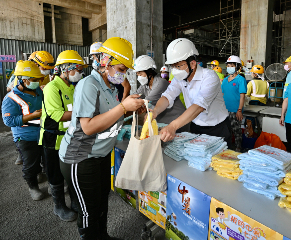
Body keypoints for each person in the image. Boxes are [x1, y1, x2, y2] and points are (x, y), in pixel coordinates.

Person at [58, 37, 144, 240]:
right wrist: (123, 107)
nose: (123, 74)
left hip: (101, 155)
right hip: (80, 158)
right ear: (106, 62)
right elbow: (87, 127)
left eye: (126, 70)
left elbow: (110, 119)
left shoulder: (112, 89)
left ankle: (102, 236)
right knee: (88, 209)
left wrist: (133, 111)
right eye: (121, 68)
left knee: (101, 201)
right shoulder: (89, 85)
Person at [151, 38, 231, 144]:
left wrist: (173, 126)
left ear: (192, 64)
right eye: (173, 66)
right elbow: (167, 96)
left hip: (217, 129)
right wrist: (155, 111)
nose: (175, 70)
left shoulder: (209, 77)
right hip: (195, 127)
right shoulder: (179, 79)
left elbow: (199, 106)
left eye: (178, 66)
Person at [39, 50, 87, 222]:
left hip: (70, 137)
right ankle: (59, 206)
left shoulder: (72, 86)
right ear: (67, 69)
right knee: (55, 174)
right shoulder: (52, 88)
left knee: (71, 173)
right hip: (52, 138)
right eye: (79, 69)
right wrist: (86, 114)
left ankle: (75, 202)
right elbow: (58, 115)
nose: (81, 72)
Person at [1, 60, 45, 201]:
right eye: (34, 79)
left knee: (43, 158)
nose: (38, 82)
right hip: (25, 136)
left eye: (39, 79)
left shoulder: (37, 91)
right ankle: (33, 186)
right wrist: (32, 116)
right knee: (30, 163)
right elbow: (8, 121)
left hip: (42, 132)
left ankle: (39, 173)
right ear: (24, 80)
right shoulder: (10, 98)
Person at [134, 55, 188, 131]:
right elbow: (135, 96)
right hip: (163, 122)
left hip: (177, 121)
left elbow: (146, 102)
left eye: (140, 74)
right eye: (137, 74)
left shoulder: (160, 83)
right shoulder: (145, 85)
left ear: (149, 72)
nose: (139, 77)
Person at [221, 55, 247, 152]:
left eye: (232, 65)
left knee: (236, 131)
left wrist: (239, 110)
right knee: (226, 131)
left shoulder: (241, 79)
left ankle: (237, 149)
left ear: (238, 67)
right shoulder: (225, 80)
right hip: (224, 110)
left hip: (235, 110)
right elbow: (222, 94)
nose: (229, 67)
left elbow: (242, 96)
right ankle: (227, 149)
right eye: (228, 65)